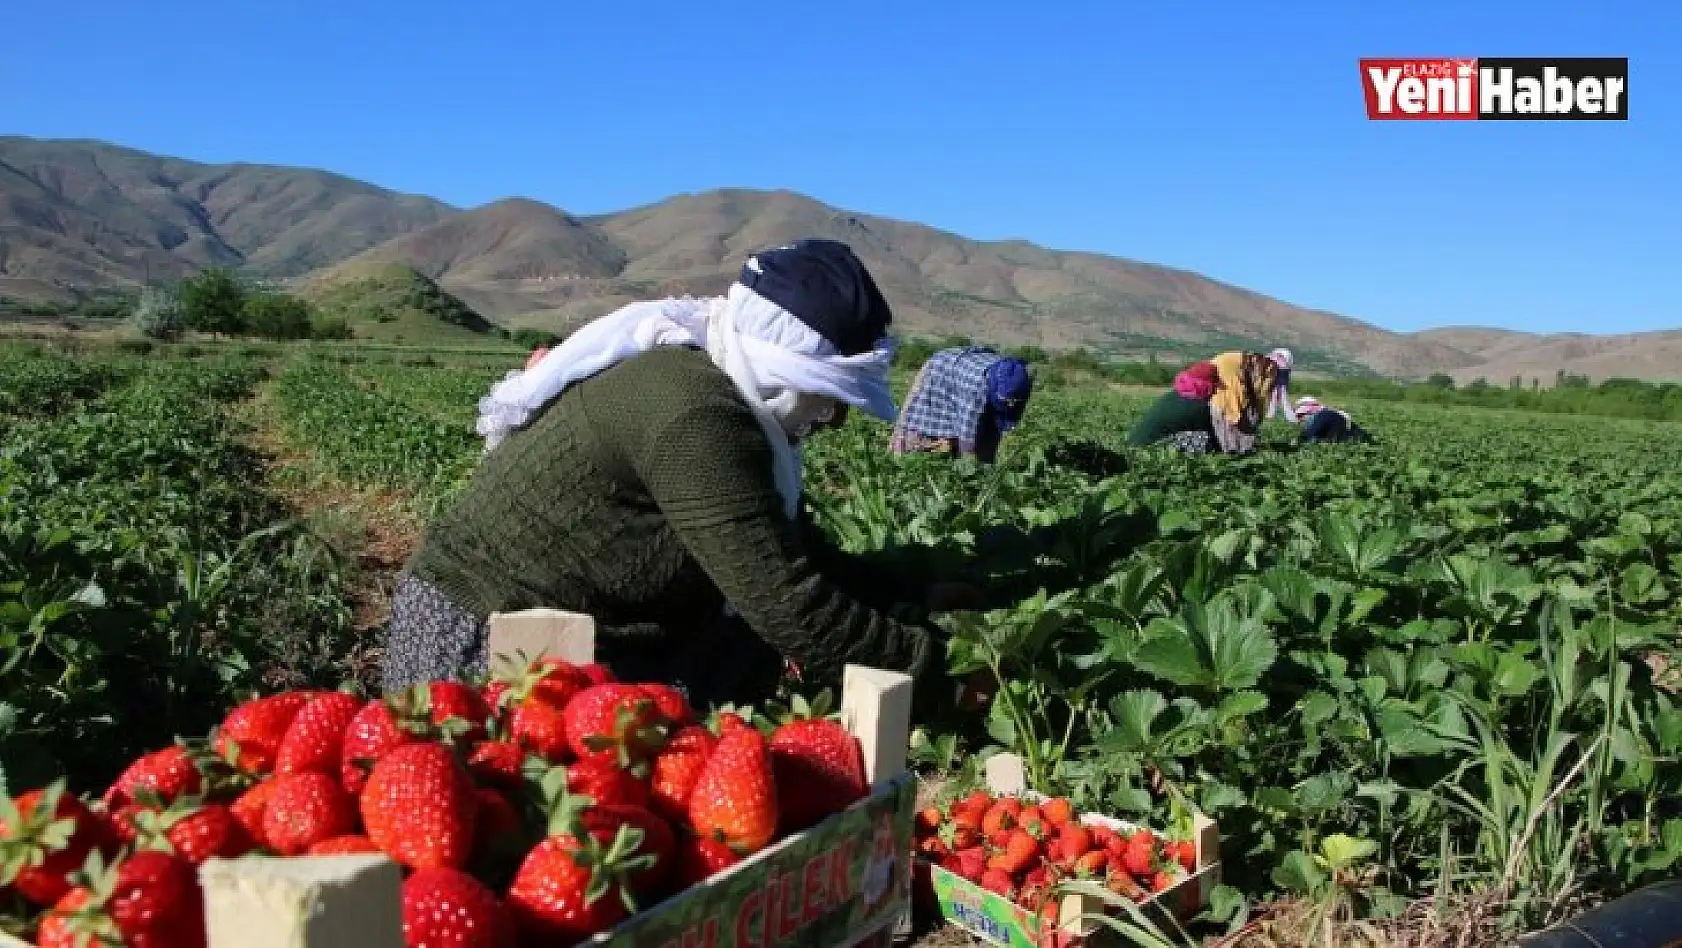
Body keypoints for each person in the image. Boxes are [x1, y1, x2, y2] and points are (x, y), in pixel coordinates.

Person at [382, 239, 984, 714]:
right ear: (778, 369)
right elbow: (786, 602)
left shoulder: (715, 381)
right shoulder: (696, 414)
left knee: (741, 654)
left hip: (570, 638)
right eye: (824, 395)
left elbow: (799, 555)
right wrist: (946, 675)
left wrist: (915, 591)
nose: (836, 418)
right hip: (487, 646)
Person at [1128, 348, 1297, 454]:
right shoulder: (1214, 404)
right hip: (1148, 449)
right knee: (1210, 443)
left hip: (1140, 443)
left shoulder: (1194, 396)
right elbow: (1227, 434)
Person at [889, 346, 1033, 462]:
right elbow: (967, 431)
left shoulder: (1021, 381)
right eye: (1008, 401)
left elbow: (1008, 413)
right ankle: (910, 459)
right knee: (925, 428)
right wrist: (968, 465)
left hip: (968, 372)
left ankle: (983, 468)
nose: (1011, 404)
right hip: (941, 370)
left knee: (987, 435)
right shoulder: (977, 386)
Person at [1294, 396, 1372, 444]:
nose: (1301, 420)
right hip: (1358, 441)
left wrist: (1295, 442)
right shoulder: (1328, 415)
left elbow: (1308, 434)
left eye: (1301, 416)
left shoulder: (1324, 415)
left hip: (1360, 443)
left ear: (1310, 411)